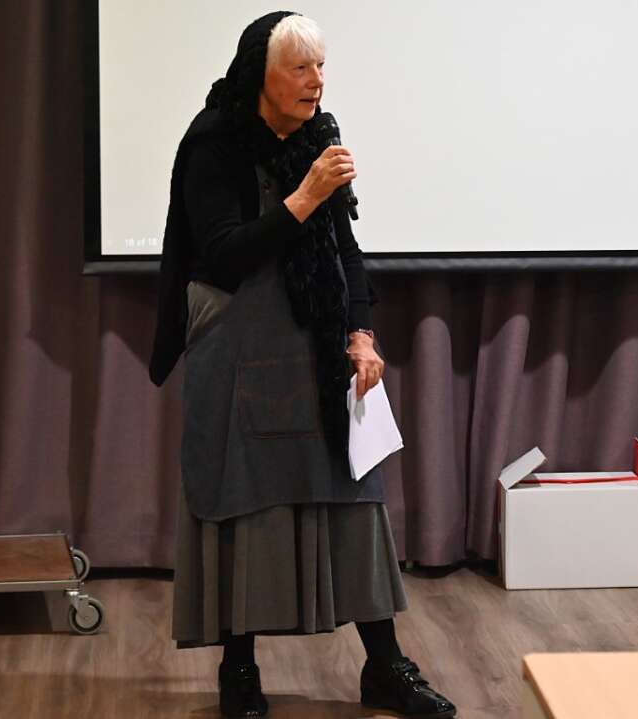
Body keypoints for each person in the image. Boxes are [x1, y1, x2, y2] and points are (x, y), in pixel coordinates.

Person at [149, 11, 457, 719]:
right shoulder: (214, 141)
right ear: (262, 75)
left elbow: (343, 248)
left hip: (315, 347)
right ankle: (239, 672)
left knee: (353, 502)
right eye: (300, 68)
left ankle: (385, 667)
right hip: (237, 346)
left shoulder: (320, 135)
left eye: (321, 67)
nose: (317, 81)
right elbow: (224, 254)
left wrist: (361, 333)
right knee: (241, 500)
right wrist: (307, 193)